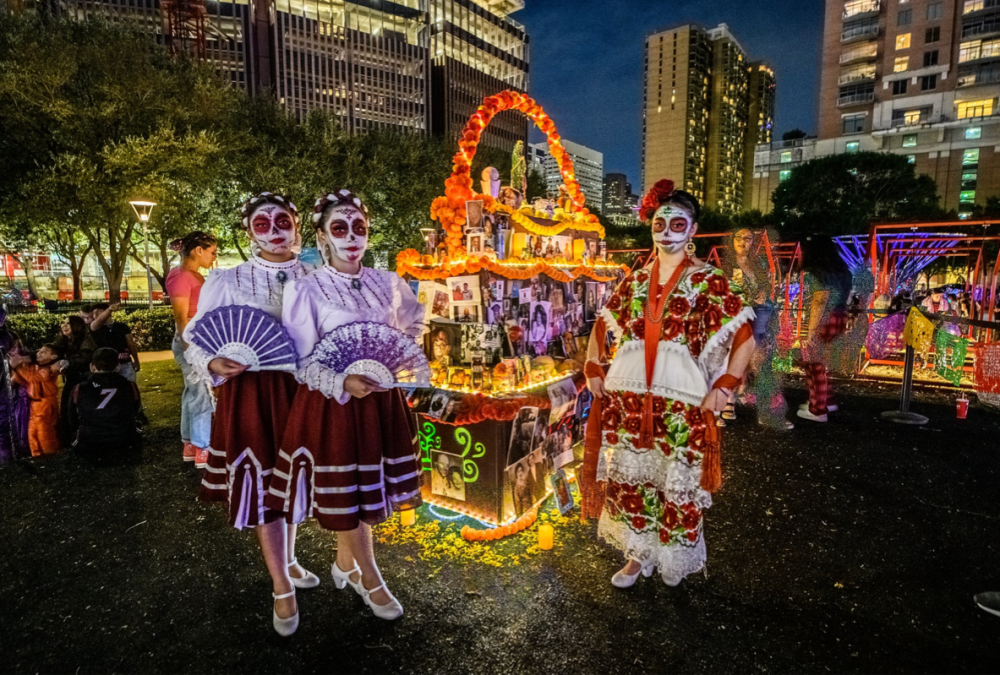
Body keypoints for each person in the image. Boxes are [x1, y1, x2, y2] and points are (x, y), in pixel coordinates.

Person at [583, 179, 755, 588]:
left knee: (675, 481)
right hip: (628, 400)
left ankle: (671, 560)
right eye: (660, 223)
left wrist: (725, 386)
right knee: (631, 481)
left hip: (682, 402)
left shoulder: (709, 281)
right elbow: (602, 325)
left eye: (678, 223)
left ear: (693, 230)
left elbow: (745, 335)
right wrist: (592, 367)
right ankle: (636, 557)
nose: (667, 231)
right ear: (651, 227)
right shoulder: (635, 280)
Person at [265, 188, 424, 622]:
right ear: (321, 237)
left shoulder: (387, 282)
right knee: (347, 490)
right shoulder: (307, 289)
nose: (352, 237)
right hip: (333, 404)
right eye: (340, 228)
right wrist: (341, 380)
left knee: (365, 491)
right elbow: (298, 359)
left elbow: (414, 322)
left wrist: (400, 353)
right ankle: (371, 577)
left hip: (380, 402)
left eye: (360, 228)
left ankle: (346, 565)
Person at [182, 193, 319, 637]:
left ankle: (291, 560)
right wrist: (214, 363)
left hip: (301, 390)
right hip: (252, 395)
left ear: (298, 226)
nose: (275, 230)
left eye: (284, 221)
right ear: (249, 232)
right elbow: (196, 335)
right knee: (263, 485)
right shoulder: (228, 280)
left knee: (294, 479)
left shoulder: (317, 276)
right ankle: (281, 585)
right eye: (263, 223)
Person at [166, 231, 217, 467]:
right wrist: (190, 349)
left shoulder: (193, 275)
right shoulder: (181, 276)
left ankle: (190, 444)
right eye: (212, 252)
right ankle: (202, 447)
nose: (214, 258)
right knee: (201, 394)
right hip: (191, 343)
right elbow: (180, 316)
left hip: (197, 341)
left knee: (193, 392)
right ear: (199, 250)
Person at [797, 235, 853, 423]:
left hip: (823, 318)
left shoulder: (815, 271)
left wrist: (810, 332)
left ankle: (818, 410)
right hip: (840, 316)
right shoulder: (843, 270)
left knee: (813, 364)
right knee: (818, 361)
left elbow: (820, 299)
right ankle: (825, 401)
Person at [68, 348, 141, 466]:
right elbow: (135, 409)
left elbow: (71, 418)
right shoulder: (130, 385)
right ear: (118, 366)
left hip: (90, 440)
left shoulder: (79, 388)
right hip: (125, 438)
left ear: (92, 367)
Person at [10, 343, 65, 456]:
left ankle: (51, 457)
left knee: (45, 433)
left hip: (46, 403)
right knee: (32, 433)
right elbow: (22, 380)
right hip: (34, 405)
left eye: (44, 352)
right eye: (39, 351)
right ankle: (37, 457)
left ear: (53, 357)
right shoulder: (35, 367)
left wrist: (18, 366)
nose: (39, 353)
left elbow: (34, 378)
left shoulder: (51, 368)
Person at [55, 315, 96, 434]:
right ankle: (70, 435)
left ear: (76, 326)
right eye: (63, 323)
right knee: (66, 409)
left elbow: (85, 357)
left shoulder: (86, 339)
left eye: (68, 323)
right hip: (72, 379)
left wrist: (68, 363)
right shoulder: (64, 340)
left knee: (79, 409)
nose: (64, 326)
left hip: (84, 380)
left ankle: (81, 434)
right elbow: (51, 350)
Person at [87, 303, 141, 381]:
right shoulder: (94, 327)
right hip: (105, 365)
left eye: (98, 312)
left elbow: (130, 344)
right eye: (93, 313)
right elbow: (100, 320)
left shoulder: (122, 327)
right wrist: (109, 309)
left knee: (128, 387)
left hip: (124, 362)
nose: (95, 315)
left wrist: (136, 360)